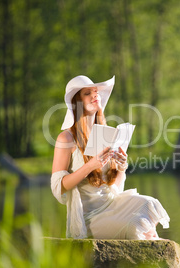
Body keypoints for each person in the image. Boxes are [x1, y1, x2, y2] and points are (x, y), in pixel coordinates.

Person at [50, 75, 170, 239]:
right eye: (87, 93)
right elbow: (58, 187)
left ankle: (155, 251)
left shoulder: (107, 134)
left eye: (95, 91)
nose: (95, 95)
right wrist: (90, 166)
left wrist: (121, 167)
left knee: (150, 204)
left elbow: (114, 187)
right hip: (90, 216)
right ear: (76, 102)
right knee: (136, 225)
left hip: (112, 204)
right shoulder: (66, 138)